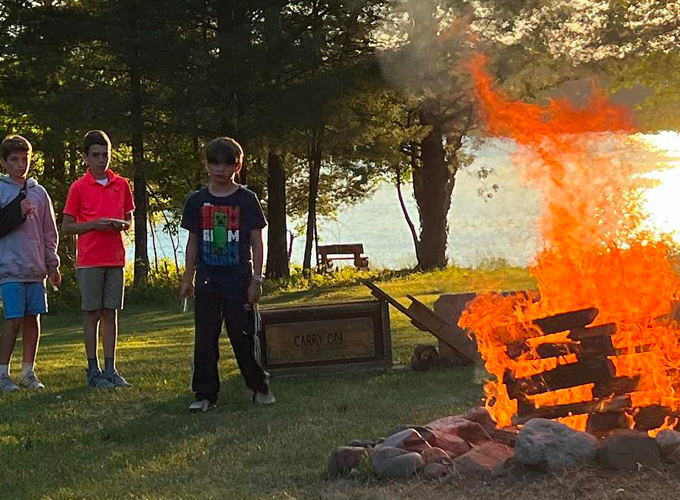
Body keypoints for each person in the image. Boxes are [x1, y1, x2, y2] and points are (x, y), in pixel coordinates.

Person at [180, 136, 273, 412]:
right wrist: (187, 278)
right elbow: (193, 241)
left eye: (227, 164)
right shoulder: (197, 201)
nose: (220, 169)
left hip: (239, 279)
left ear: (237, 165)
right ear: (206, 165)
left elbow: (257, 240)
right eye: (215, 163)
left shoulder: (246, 199)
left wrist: (257, 279)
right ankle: (204, 395)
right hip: (208, 279)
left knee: (243, 335)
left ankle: (258, 386)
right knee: (205, 338)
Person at [62, 130, 135, 389]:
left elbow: (129, 219)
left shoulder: (122, 184)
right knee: (92, 312)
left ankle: (111, 368)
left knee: (110, 313)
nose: (102, 160)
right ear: (85, 158)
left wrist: (120, 225)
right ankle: (93, 370)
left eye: (106, 154)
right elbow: (68, 226)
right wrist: (94, 224)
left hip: (115, 258)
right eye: (96, 155)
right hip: (90, 259)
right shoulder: (79, 187)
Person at [0, 135, 61, 392]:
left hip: (36, 269)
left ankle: (28, 371)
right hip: (10, 268)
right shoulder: (2, 190)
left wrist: (52, 263)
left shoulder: (39, 192)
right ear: (4, 163)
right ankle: (3, 373)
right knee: (13, 319)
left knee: (32, 319)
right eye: (14, 159)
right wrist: (17, 211)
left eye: (25, 159)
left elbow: (49, 231)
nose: (20, 164)